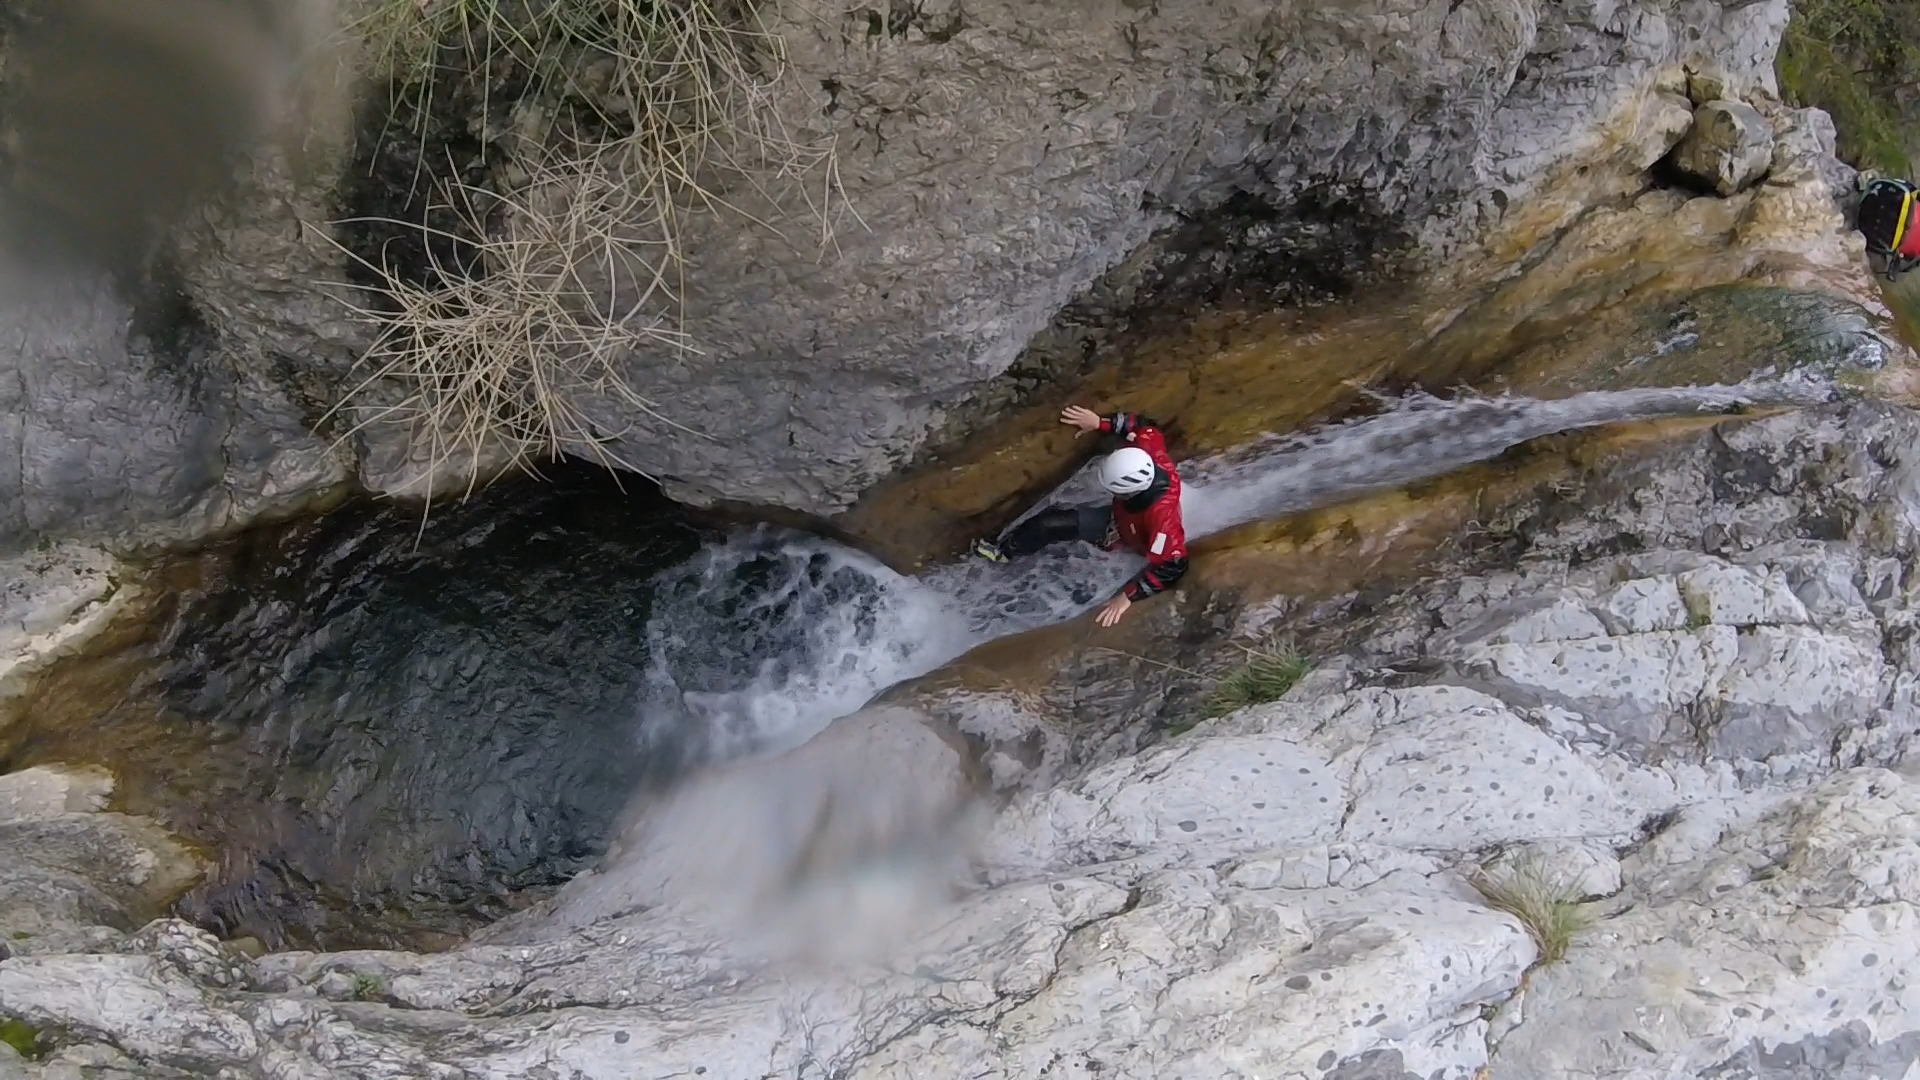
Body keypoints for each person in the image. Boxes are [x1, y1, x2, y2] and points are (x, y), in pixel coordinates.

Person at [972, 404, 1188, 627]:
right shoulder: (1148, 449)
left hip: (1132, 537)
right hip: (1120, 519)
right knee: (1049, 524)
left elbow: (1173, 565)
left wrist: (1128, 597)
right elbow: (1143, 425)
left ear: (1131, 491)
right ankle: (1003, 552)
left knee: (1077, 585)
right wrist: (1099, 423)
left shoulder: (1162, 517)